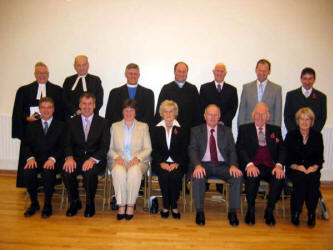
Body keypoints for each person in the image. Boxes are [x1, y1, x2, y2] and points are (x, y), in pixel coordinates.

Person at [188, 104, 242, 226]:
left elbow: (232, 150)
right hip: (203, 165)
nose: (212, 117)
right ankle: (200, 212)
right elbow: (192, 149)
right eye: (210, 114)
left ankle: (232, 211)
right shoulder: (196, 130)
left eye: (215, 115)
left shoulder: (226, 131)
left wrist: (233, 165)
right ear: (205, 116)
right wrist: (197, 165)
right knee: (198, 176)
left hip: (222, 165)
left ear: (219, 116)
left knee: (237, 176)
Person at [12, 62, 64, 187]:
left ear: (48, 74)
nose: (42, 75)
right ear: (35, 74)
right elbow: (18, 111)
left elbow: (62, 112)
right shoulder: (24, 90)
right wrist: (27, 118)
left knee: (51, 162)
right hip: (32, 133)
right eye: (39, 72)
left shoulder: (57, 90)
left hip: (51, 135)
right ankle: (31, 186)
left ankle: (49, 185)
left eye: (44, 72)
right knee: (29, 157)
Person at [236, 102, 286, 226]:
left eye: (263, 114)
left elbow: (282, 149)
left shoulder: (275, 130)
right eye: (257, 114)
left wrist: (279, 165)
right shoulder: (244, 129)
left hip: (270, 166)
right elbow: (240, 148)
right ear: (253, 115)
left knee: (279, 178)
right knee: (252, 176)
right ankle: (251, 210)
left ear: (268, 116)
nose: (260, 117)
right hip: (253, 165)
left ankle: (269, 210)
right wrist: (249, 164)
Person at [63, 93, 110, 218]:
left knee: (89, 172)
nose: (87, 107)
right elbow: (67, 143)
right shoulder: (71, 122)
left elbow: (105, 146)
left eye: (90, 104)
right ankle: (74, 201)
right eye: (84, 103)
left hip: (96, 159)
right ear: (79, 105)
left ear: (94, 105)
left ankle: (90, 203)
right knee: (67, 171)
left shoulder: (103, 122)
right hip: (76, 158)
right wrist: (69, 157)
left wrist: (93, 159)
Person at [109, 99, 152, 221]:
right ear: (122, 112)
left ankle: (131, 205)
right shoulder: (115, 127)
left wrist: (137, 158)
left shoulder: (143, 127)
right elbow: (110, 148)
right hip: (119, 160)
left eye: (131, 110)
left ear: (135, 112)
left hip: (138, 161)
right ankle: (121, 205)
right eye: (126, 110)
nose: (128, 112)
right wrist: (116, 157)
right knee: (118, 171)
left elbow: (148, 148)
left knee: (134, 172)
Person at [22, 97, 65, 218]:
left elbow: (63, 146)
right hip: (36, 160)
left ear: (53, 109)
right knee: (27, 173)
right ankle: (34, 203)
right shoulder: (31, 126)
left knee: (48, 173)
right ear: (39, 109)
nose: (46, 110)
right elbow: (25, 145)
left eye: (49, 107)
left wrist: (52, 159)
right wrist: (30, 158)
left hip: (53, 161)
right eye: (43, 107)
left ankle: (47, 204)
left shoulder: (61, 125)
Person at [285, 108, 324, 227]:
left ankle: (311, 213)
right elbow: (287, 158)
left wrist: (315, 167)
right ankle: (296, 212)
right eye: (302, 119)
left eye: (307, 119)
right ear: (298, 121)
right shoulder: (291, 135)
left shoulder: (317, 135)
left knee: (312, 180)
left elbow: (319, 157)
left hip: (312, 169)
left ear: (311, 121)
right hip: (295, 169)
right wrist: (297, 166)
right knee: (300, 179)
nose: (304, 122)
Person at [151, 100, 186, 219]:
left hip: (177, 162)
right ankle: (166, 205)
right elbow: (153, 150)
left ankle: (174, 205)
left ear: (175, 113)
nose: (168, 114)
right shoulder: (155, 129)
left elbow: (185, 149)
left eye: (171, 112)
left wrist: (177, 163)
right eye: (165, 112)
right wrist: (161, 162)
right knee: (165, 176)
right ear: (161, 113)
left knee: (175, 176)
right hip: (160, 162)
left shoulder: (182, 128)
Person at [238, 59, 282, 127]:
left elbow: (278, 114)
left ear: (269, 72)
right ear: (256, 70)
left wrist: (276, 131)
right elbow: (242, 112)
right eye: (260, 70)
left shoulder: (277, 89)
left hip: (269, 128)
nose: (262, 73)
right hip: (249, 127)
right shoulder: (246, 88)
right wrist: (240, 129)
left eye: (264, 71)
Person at [284, 67, 327, 132]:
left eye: (310, 79)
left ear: (314, 80)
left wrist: (312, 133)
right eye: (305, 79)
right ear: (301, 79)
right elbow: (287, 117)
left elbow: (322, 118)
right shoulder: (291, 95)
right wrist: (294, 133)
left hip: (313, 135)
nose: (307, 82)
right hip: (294, 135)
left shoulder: (321, 97)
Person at [200, 63, 238, 128]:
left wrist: (223, 121)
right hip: (207, 125)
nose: (219, 73)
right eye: (217, 71)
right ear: (213, 72)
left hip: (225, 126)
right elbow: (202, 107)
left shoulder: (232, 90)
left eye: (222, 71)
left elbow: (233, 109)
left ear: (225, 73)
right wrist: (210, 120)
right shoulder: (204, 88)